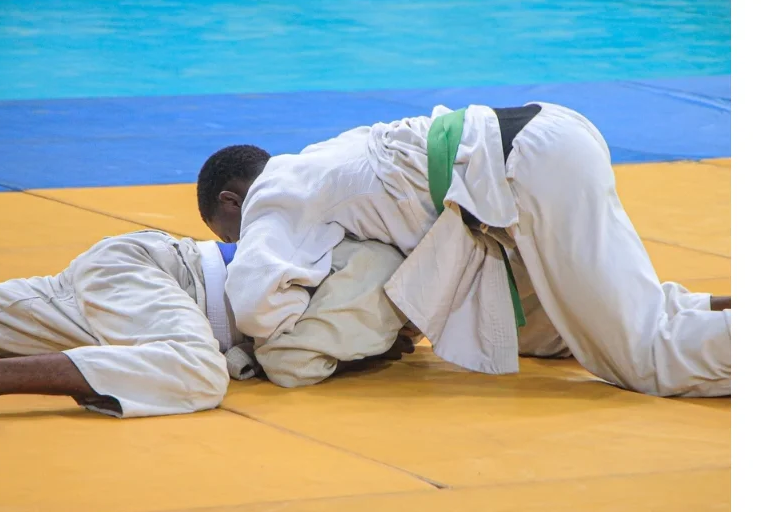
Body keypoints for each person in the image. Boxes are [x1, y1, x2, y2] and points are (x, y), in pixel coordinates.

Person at [196, 102, 731, 398]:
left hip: (522, 171)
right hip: (536, 147)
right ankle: (695, 309)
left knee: (642, 359)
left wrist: (247, 352)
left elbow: (255, 305)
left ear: (231, 200)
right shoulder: (319, 164)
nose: (240, 245)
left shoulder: (271, 194)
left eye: (230, 234)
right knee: (552, 333)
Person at [0, 231, 416, 433]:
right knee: (200, 373)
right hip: (165, 279)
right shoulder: (386, 271)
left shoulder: (386, 272)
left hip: (138, 282)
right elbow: (288, 365)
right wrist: (368, 352)